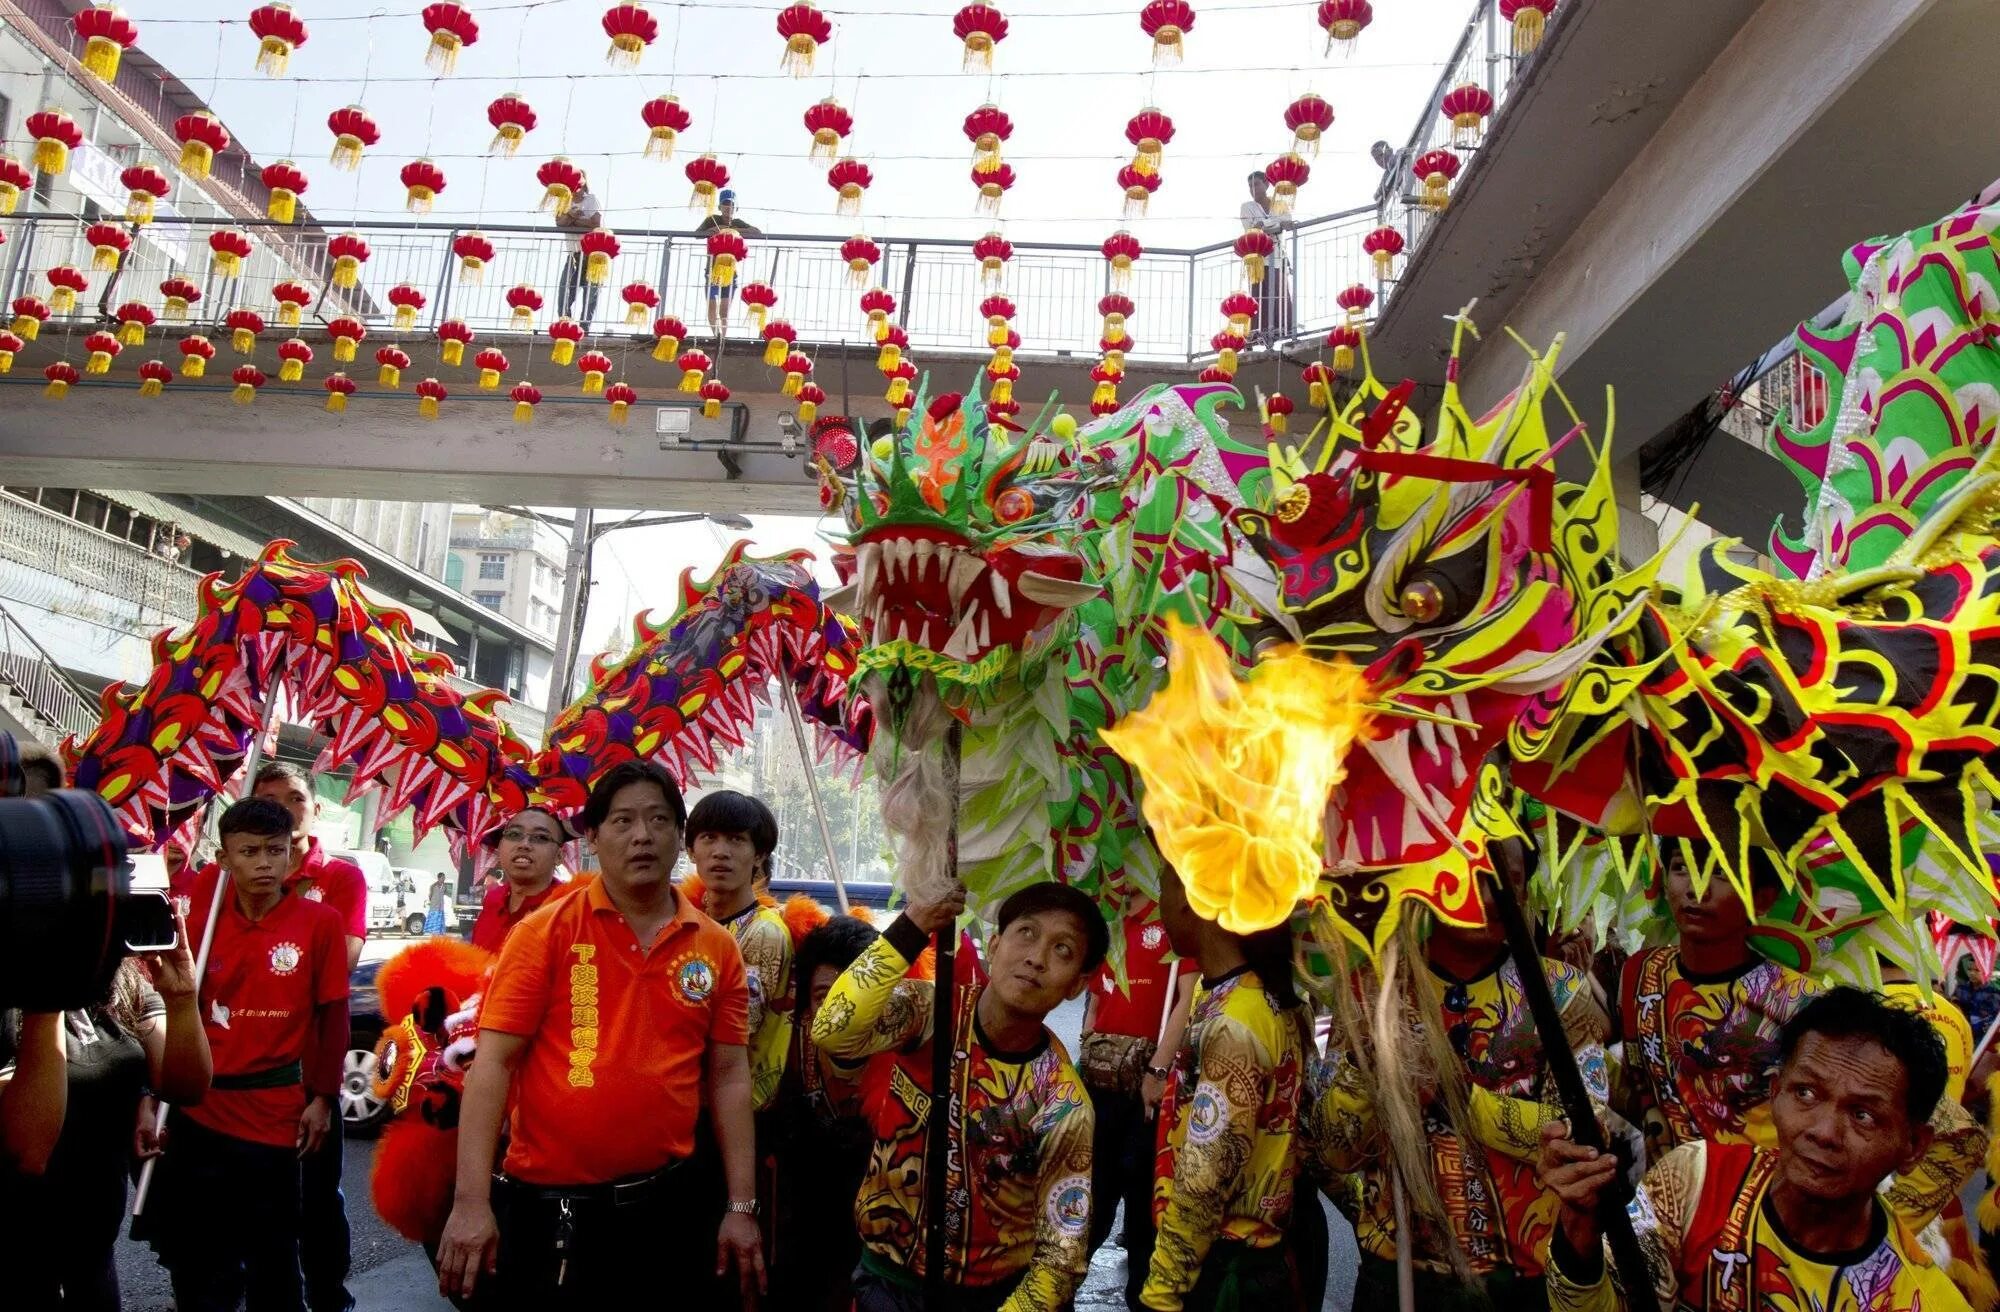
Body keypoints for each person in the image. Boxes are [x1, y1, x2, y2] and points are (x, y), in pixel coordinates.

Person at [434, 760, 763, 1309]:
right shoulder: (544, 932)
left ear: (678, 837)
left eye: (659, 820)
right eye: (623, 821)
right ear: (591, 837)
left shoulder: (716, 947)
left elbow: (729, 1077)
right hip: (553, 1213)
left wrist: (742, 1206)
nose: (642, 836)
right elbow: (492, 1066)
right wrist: (470, 1202)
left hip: (670, 1208)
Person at [1539, 986, 1970, 1312]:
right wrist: (1579, 1225)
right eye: (1805, 1093)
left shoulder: (1924, 1300)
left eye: (1863, 1116)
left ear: (1913, 1145)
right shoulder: (1695, 1179)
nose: (1823, 1131)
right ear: (1775, 1092)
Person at [1308, 848, 1608, 1311]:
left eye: (1505, 882)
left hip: (1523, 1274)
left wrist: (1459, 1098)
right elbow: (1333, 1149)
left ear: (1525, 891)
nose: (1487, 898)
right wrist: (1372, 1064)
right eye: (1472, 877)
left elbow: (1588, 1137)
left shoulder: (1562, 993)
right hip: (1398, 1270)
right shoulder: (1373, 990)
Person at [812, 880, 1103, 1312]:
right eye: (1026, 932)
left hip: (992, 1297)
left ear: (1078, 984)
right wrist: (913, 925)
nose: (1036, 958)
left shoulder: (1062, 1103)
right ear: (996, 941)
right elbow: (832, 1030)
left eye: (1062, 949)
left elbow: (1060, 1261)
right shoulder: (929, 1013)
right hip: (886, 1283)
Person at [156, 797, 349, 1312]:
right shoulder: (200, 919)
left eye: (275, 850)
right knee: (199, 1256)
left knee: (275, 1253)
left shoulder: (319, 922)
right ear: (224, 859)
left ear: (291, 855)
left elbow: (333, 1015)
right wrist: (153, 1100)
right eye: (249, 851)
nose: (263, 862)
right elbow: (169, 1010)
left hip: (275, 1112)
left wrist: (323, 1098)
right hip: (200, 1109)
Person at [1, 924, 211, 1310]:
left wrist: (182, 998)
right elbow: (30, 1149)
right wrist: (50, 994)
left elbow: (186, 1087)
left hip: (92, 1245)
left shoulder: (117, 975)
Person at [1142, 860, 1310, 1312]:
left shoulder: (1237, 1021)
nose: (1159, 906)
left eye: (1163, 888)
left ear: (1192, 900)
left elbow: (1204, 1180)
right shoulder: (1249, 997)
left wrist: (1162, 1290)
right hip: (1245, 1257)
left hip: (1224, 1271)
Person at [767, 914, 885, 1312]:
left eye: (854, 997)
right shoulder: (789, 1045)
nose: (840, 1012)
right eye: (824, 997)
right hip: (800, 1218)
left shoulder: (904, 1048)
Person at [1080, 909, 1195, 1311]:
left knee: (1146, 1200)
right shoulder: (1110, 923)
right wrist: (1090, 1039)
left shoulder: (1174, 922)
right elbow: (1095, 996)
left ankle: (1143, 1300)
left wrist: (1159, 1070)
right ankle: (1057, 1287)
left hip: (1146, 1087)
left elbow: (1186, 998)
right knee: (1091, 1196)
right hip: (1101, 1087)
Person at [688, 790, 790, 1110]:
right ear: (690, 850)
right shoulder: (686, 923)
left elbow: (734, 1036)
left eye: (735, 840)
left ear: (758, 854)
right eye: (709, 838)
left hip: (738, 1112)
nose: (720, 852)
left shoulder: (764, 933)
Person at [470, 807, 574, 953]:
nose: (524, 844)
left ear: (559, 856)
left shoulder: (571, 910)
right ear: (500, 847)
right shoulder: (492, 902)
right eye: (514, 834)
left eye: (540, 837)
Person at [693, 189, 762, 337]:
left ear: (735, 208)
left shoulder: (737, 223)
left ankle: (722, 336)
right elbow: (697, 234)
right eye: (725, 204)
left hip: (730, 271)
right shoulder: (712, 220)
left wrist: (731, 230)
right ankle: (715, 333)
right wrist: (712, 230)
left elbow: (757, 232)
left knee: (724, 309)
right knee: (712, 305)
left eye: (731, 205)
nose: (728, 208)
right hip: (712, 269)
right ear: (720, 206)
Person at [1239, 171, 1295, 345]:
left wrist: (1264, 225)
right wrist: (1273, 225)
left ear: (1266, 184)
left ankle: (1284, 330)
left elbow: (1287, 222)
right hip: (1257, 257)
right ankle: (1259, 334)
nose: (1252, 189)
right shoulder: (1246, 206)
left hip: (1277, 255)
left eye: (1256, 184)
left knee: (1279, 291)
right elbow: (1251, 228)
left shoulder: (1279, 204)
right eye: (1250, 186)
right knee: (1259, 295)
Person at [554, 174, 603, 331]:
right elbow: (559, 223)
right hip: (574, 254)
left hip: (593, 255)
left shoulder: (591, 199)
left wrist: (573, 220)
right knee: (565, 288)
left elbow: (595, 223)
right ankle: (565, 322)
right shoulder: (564, 201)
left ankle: (585, 326)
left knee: (591, 292)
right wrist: (570, 216)